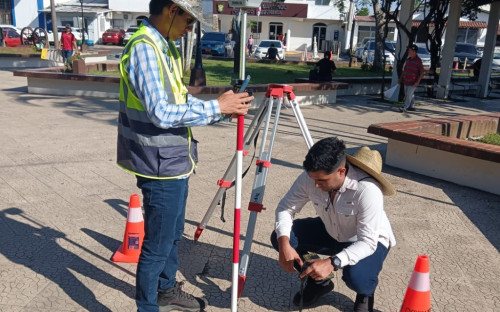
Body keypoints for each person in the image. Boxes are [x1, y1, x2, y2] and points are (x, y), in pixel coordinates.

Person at [117, 1, 254, 311]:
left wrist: (221, 110)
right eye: (189, 20)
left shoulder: (164, 47)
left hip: (173, 161)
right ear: (170, 10)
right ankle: (148, 306)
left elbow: (176, 100)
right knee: (156, 247)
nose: (191, 27)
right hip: (158, 165)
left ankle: (165, 291)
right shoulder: (145, 49)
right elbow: (162, 113)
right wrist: (218, 107)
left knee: (173, 236)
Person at [270, 137, 396, 312]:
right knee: (282, 236)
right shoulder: (312, 177)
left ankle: (365, 294)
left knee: (357, 278)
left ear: (341, 171)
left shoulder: (368, 190)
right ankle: (319, 282)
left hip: (367, 240)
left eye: (321, 181)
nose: (315, 184)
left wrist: (332, 262)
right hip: (331, 230)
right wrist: (284, 244)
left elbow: (368, 243)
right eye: (312, 178)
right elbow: (285, 208)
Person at [398, 43, 424, 112]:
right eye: (408, 51)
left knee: (408, 94)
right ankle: (411, 106)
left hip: (413, 82)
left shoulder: (418, 61)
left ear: (414, 52)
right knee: (409, 94)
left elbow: (422, 72)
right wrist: (400, 79)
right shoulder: (408, 60)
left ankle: (404, 106)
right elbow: (405, 70)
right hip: (406, 81)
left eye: (410, 51)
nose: (408, 52)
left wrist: (418, 81)